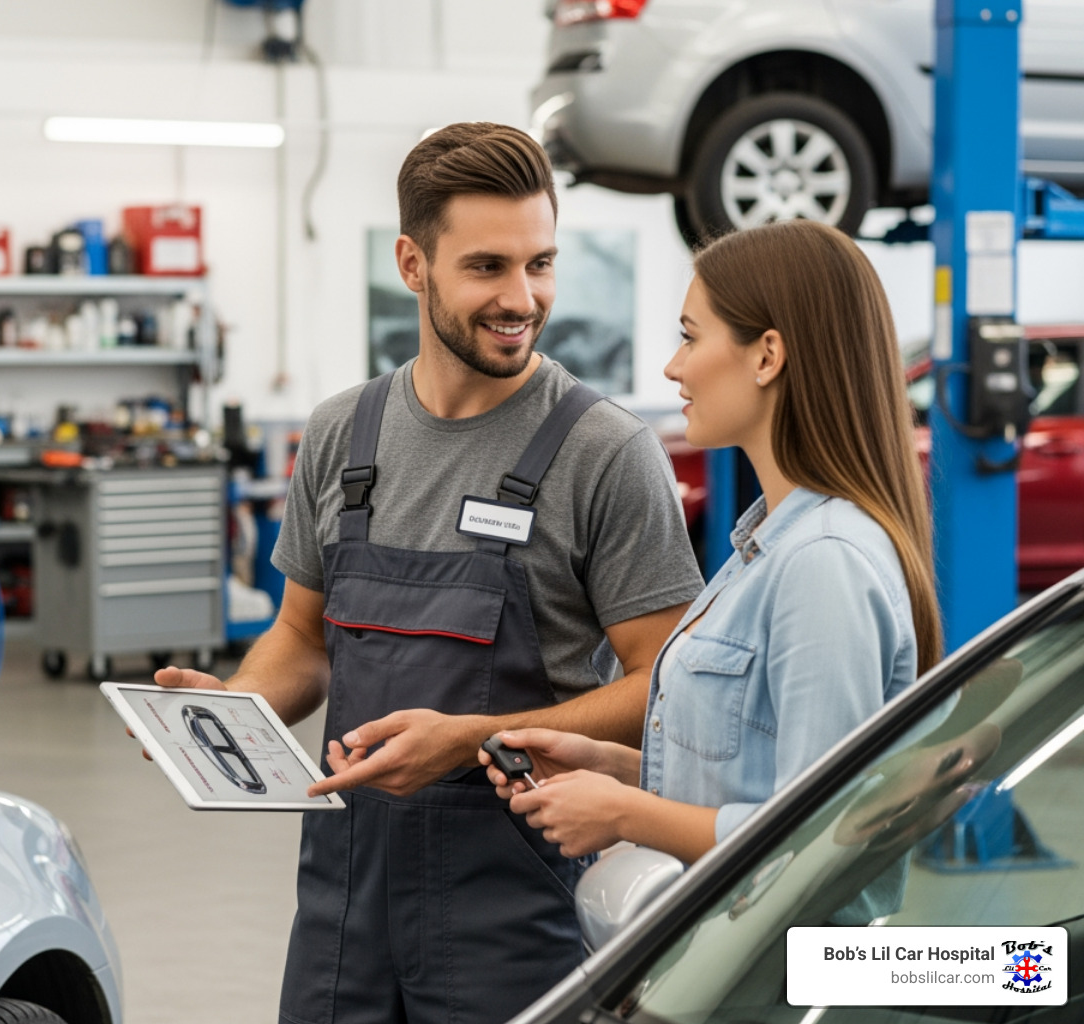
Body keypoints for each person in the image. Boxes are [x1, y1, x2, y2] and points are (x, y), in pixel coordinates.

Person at [152, 122, 703, 1024]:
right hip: (342, 911)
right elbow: (300, 638)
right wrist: (227, 710)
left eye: (541, 264)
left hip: (515, 915)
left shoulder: (604, 452)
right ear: (414, 265)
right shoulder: (342, 434)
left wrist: (477, 734)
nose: (522, 297)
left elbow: (666, 686)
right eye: (487, 267)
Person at [482, 219, 942, 867]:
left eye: (690, 337)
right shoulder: (766, 547)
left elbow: (819, 837)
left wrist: (624, 815)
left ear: (766, 356)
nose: (674, 366)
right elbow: (753, 783)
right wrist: (617, 770)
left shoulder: (823, 563)